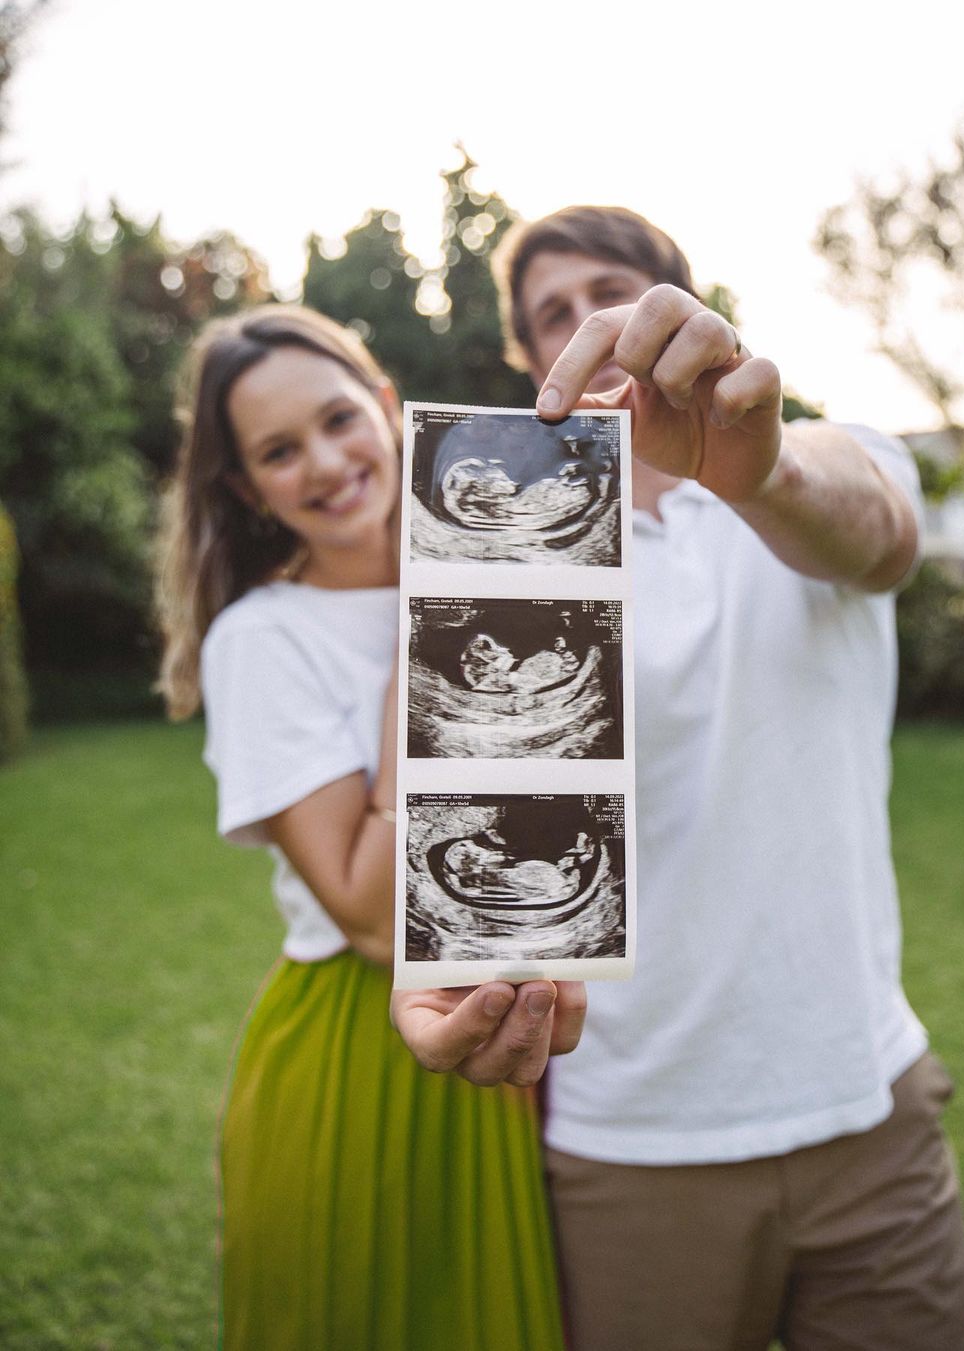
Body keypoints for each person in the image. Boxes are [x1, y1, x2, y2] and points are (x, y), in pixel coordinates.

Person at [392, 208, 964, 1350]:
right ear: (529, 361)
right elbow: (492, 824)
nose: (584, 322)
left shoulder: (822, 461)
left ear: (681, 307)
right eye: (550, 314)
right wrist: (457, 982)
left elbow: (879, 533)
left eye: (607, 291)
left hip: (870, 1110)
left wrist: (753, 471)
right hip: (633, 1143)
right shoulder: (506, 546)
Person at [155, 304, 582, 1350]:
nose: (327, 463)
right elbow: (368, 911)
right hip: (353, 1051)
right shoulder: (261, 640)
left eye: (340, 419)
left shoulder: (516, 576)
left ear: (389, 409)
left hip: (510, 1038)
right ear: (249, 488)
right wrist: (422, 655)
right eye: (278, 451)